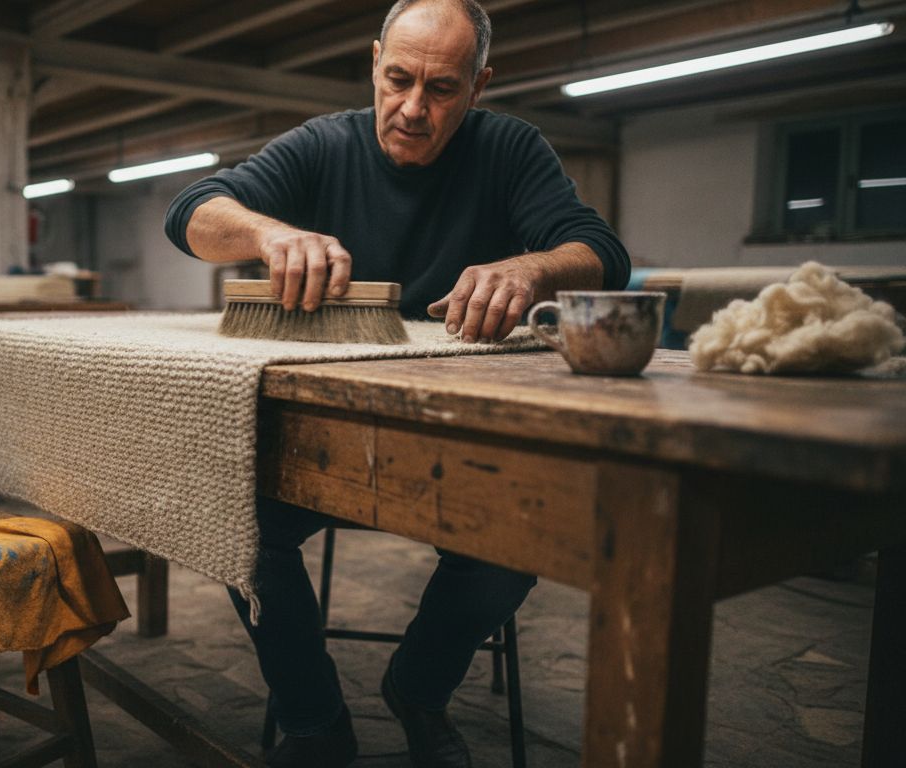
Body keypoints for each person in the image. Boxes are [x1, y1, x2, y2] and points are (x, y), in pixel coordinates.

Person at [164, 1, 629, 765]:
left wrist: (529, 266)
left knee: (519, 540)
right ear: (375, 59)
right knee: (235, 526)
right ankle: (314, 720)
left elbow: (603, 250)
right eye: (398, 79)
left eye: (442, 89)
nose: (413, 108)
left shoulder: (509, 147)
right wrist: (267, 232)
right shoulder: (324, 143)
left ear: (480, 84)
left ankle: (418, 687)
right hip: (324, 428)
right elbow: (190, 210)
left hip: (460, 430)